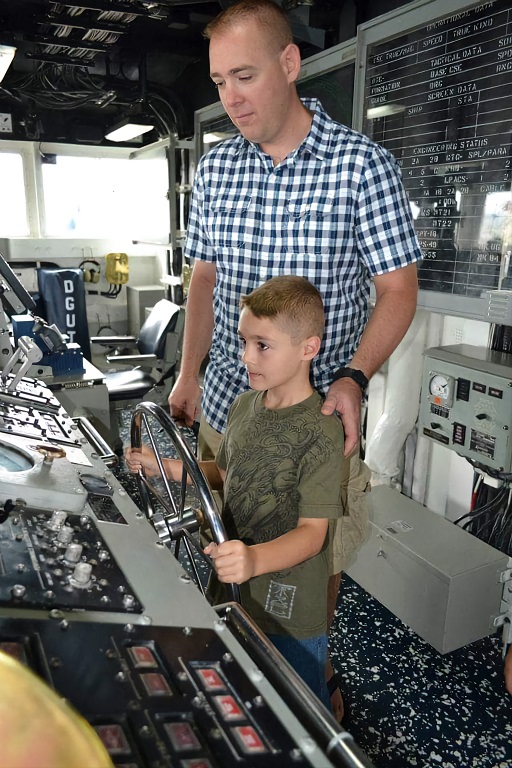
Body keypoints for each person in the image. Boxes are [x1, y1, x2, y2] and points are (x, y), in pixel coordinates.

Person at [169, 0, 422, 720]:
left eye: (244, 75)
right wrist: (187, 376)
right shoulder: (217, 170)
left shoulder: (362, 167)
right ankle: (241, 678)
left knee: (311, 567)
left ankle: (313, 685)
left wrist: (353, 376)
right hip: (228, 409)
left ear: (289, 64)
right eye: (220, 82)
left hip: (317, 423)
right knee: (229, 551)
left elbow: (397, 290)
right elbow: (206, 281)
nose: (232, 97)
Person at [127, 276, 345, 710]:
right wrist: (167, 467)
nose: (245, 356)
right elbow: (225, 473)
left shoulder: (322, 432)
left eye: (262, 345)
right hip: (231, 582)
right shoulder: (245, 405)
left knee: (297, 702)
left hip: (287, 607)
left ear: (308, 348)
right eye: (243, 341)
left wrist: (254, 559)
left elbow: (312, 534)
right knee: (245, 682)